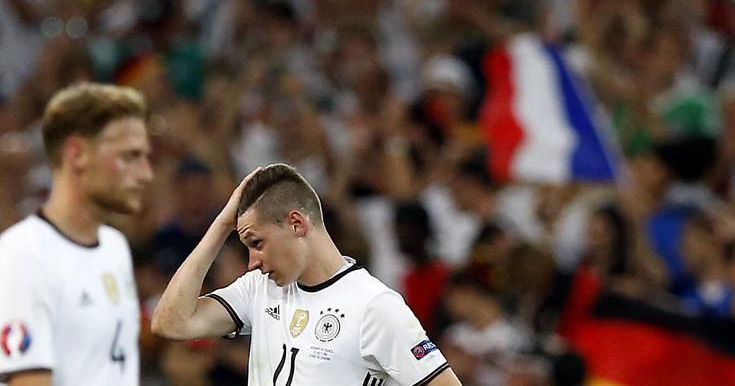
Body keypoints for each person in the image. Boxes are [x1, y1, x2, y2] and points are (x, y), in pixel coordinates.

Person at [152, 163, 462, 386]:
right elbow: (170, 322)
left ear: (297, 224)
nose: (252, 263)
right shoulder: (259, 289)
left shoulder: (374, 306)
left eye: (257, 243)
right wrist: (221, 224)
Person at [0, 82, 154, 386]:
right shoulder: (24, 255)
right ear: (78, 154)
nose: (145, 173)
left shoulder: (114, 246)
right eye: (130, 156)